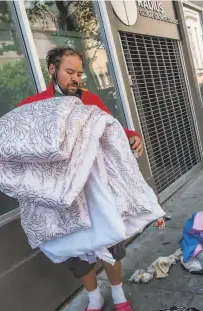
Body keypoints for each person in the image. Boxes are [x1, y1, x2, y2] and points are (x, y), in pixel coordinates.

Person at [18, 47, 142, 311]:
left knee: (109, 240)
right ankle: (94, 298)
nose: (76, 78)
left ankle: (119, 296)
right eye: (69, 72)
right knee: (76, 250)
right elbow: (17, 143)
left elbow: (112, 128)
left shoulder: (91, 100)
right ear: (52, 70)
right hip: (61, 196)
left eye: (79, 73)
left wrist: (131, 135)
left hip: (96, 188)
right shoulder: (31, 106)